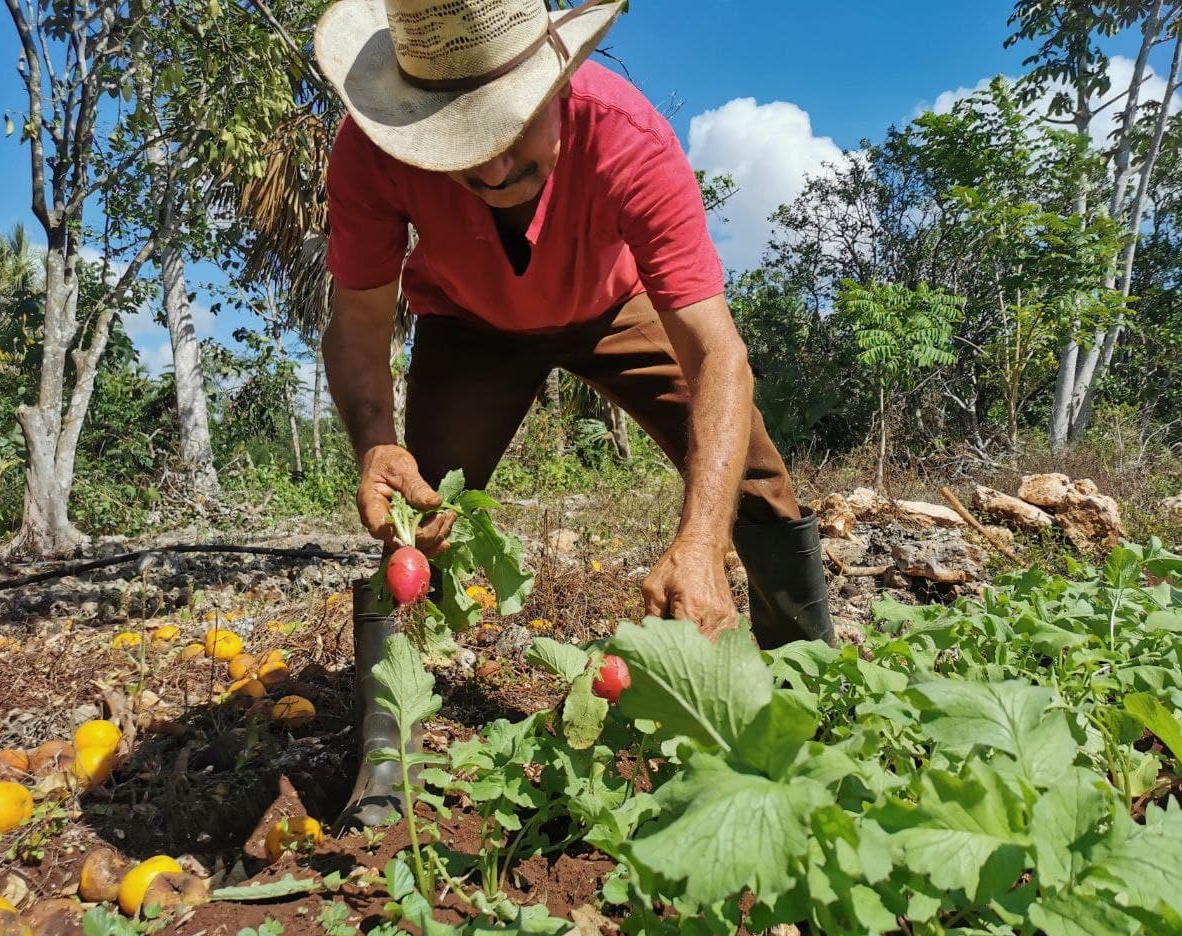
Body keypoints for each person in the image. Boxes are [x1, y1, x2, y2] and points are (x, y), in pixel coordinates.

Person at [314, 0, 834, 830]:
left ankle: (811, 676)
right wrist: (377, 444)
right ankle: (387, 753)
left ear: (554, 78)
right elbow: (360, 321)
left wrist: (699, 545)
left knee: (758, 480)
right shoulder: (371, 151)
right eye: (459, 139)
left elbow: (716, 353)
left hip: (614, 304)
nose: (486, 170)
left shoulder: (627, 136)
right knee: (418, 519)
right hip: (468, 322)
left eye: (508, 130)